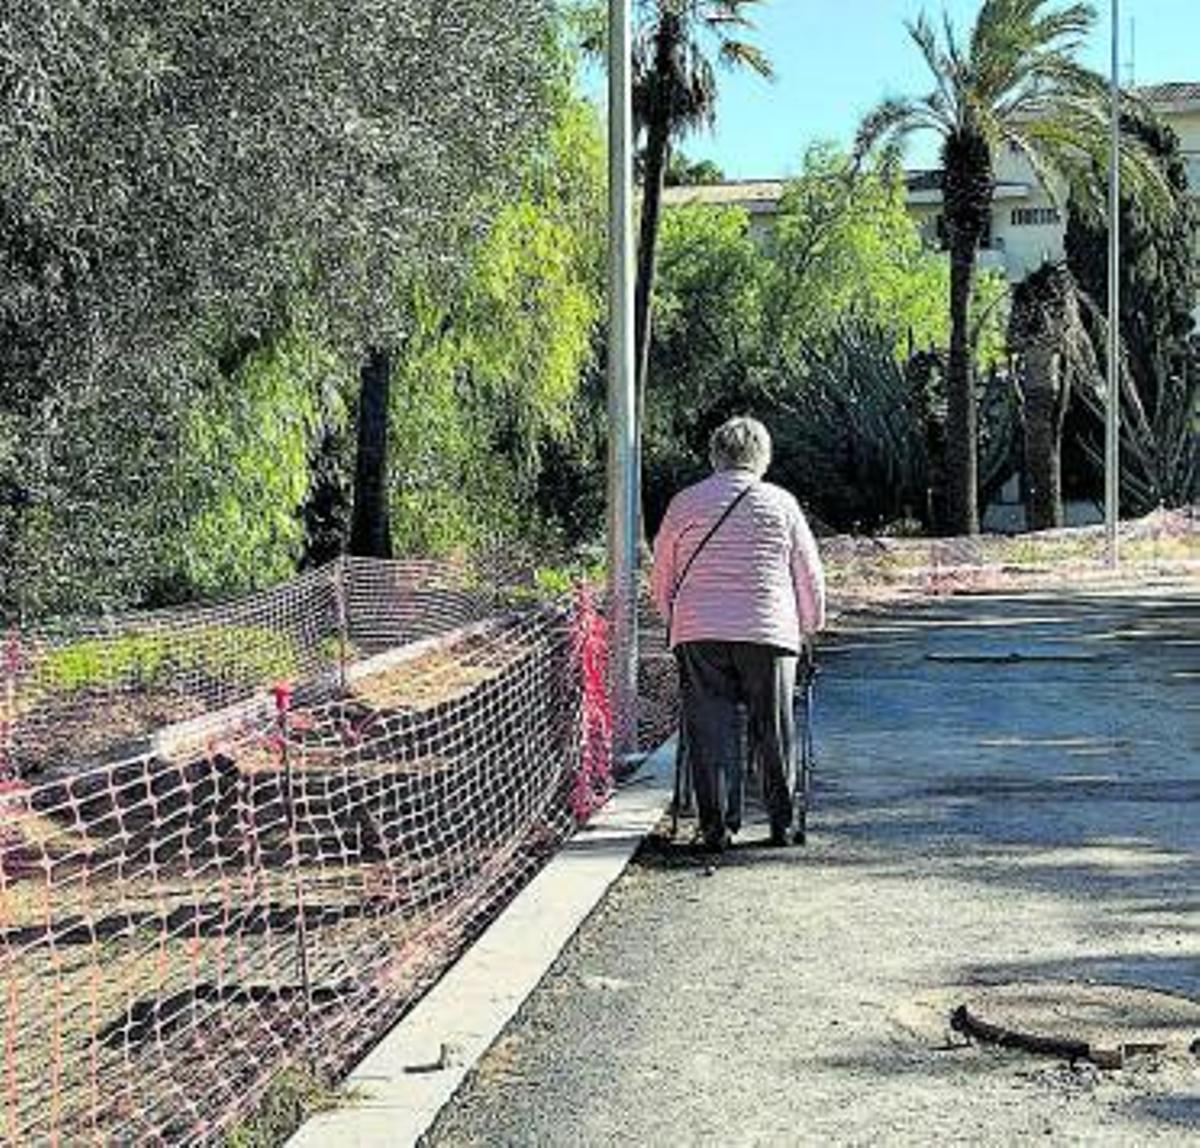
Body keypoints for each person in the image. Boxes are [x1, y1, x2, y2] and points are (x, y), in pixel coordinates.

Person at [651, 416, 825, 852]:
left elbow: (662, 577)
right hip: (768, 630)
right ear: (763, 458)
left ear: (715, 457)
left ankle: (716, 827)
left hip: (699, 631)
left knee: (709, 729)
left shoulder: (685, 503)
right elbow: (809, 575)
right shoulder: (782, 504)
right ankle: (781, 824)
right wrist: (810, 626)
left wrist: (676, 619)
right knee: (774, 728)